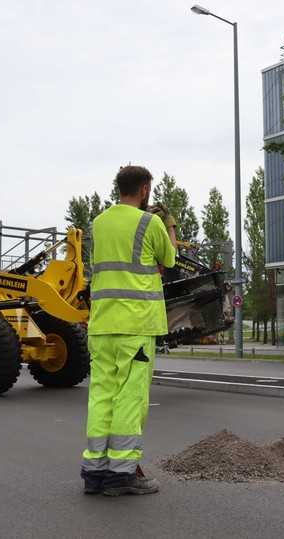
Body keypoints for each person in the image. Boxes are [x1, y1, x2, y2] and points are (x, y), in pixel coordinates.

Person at [81, 165, 176, 496]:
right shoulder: (150, 223)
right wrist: (170, 225)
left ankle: (94, 471)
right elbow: (170, 259)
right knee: (130, 397)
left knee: (102, 394)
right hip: (136, 325)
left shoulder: (97, 223)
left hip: (102, 324)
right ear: (146, 188)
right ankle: (122, 474)